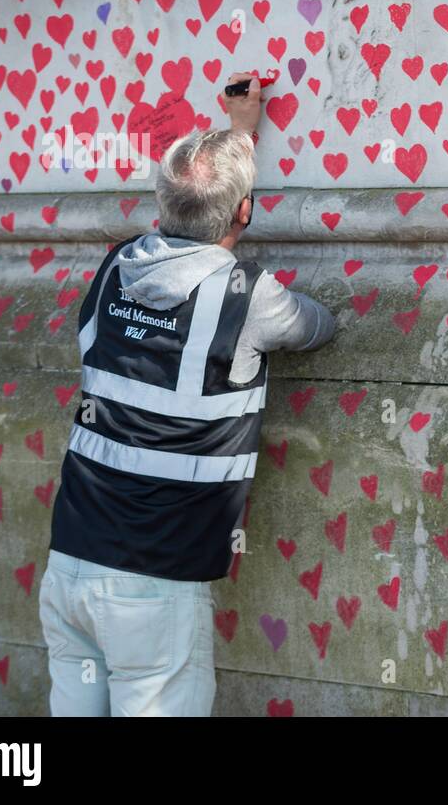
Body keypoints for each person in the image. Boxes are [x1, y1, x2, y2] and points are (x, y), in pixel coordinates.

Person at [38, 73, 337, 716]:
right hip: (153, 585)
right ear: (245, 212)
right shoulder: (245, 294)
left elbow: (194, 227)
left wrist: (237, 137)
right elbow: (317, 327)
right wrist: (241, 146)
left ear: (161, 205)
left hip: (70, 566)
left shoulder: (116, 267)